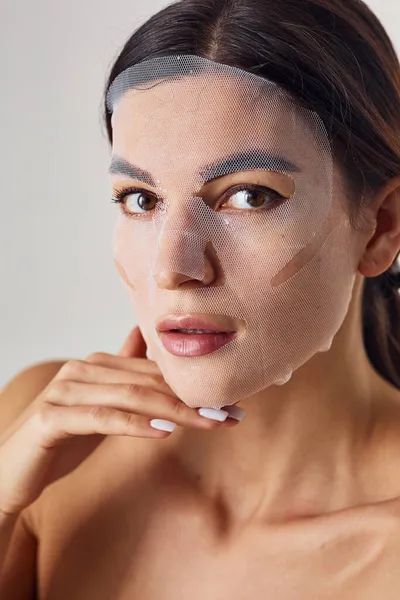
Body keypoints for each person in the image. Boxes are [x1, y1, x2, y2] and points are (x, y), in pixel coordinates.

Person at [1, 0, 400, 597]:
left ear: (381, 226)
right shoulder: (41, 435)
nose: (172, 268)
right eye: (140, 198)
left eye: (250, 197)